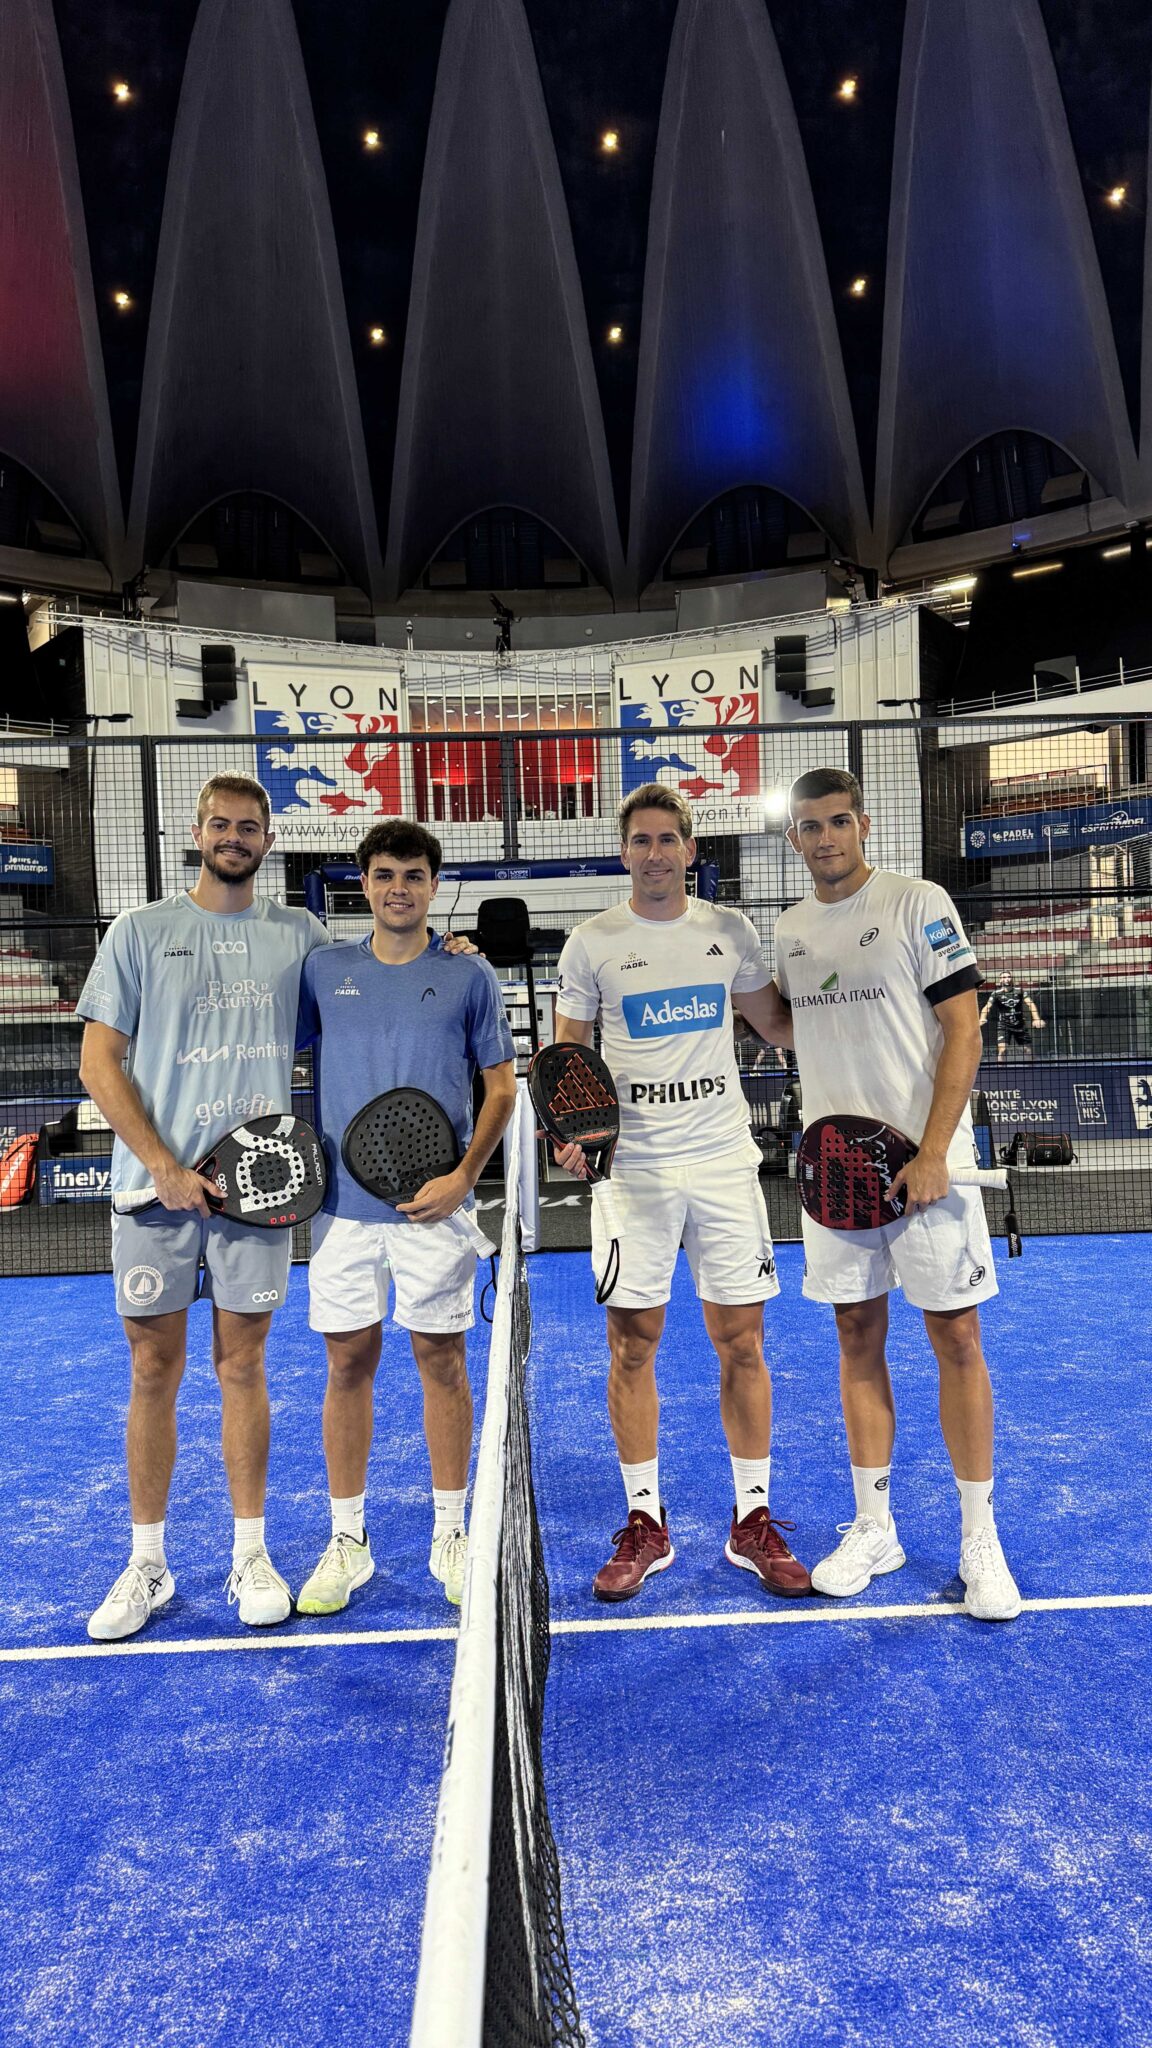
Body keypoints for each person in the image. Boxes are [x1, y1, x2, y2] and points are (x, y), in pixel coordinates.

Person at [763, 766, 1020, 1622]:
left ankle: (980, 1538)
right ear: (794, 839)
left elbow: (963, 1028)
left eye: (838, 821)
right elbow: (794, 1026)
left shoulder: (918, 903)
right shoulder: (791, 928)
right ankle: (876, 1528)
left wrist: (936, 1149)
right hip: (838, 1174)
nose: (825, 838)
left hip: (926, 1171)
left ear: (863, 825)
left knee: (957, 1339)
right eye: (809, 826)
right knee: (855, 1335)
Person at [77, 773, 330, 1640]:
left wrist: (448, 954)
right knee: (153, 1369)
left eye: (248, 827)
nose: (233, 837)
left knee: (242, 1366)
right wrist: (164, 1166)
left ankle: (249, 1554)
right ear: (197, 832)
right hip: (153, 1193)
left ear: (268, 841)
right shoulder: (140, 932)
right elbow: (98, 1063)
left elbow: (365, 996)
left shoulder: (301, 936)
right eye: (220, 824)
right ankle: (147, 1564)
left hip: (258, 1194)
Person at [552, 782, 811, 1603]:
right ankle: (645, 1521)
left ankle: (752, 1520)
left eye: (669, 839)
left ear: (691, 851)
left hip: (724, 1164)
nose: (656, 853)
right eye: (642, 840)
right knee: (633, 1346)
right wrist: (567, 1135)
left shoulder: (728, 932)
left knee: (743, 1344)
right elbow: (567, 1061)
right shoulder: (591, 944)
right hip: (633, 1172)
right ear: (623, 851)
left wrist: (870, 998)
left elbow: (780, 1025)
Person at [294, 820, 516, 1614]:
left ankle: (451, 1534)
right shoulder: (323, 970)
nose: (398, 888)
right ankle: (347, 1541)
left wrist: (464, 1177)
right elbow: (267, 1051)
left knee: (441, 1362)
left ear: (433, 885)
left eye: (413, 875)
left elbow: (501, 1088)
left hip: (436, 1209)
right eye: (385, 874)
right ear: (364, 883)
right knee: (346, 1365)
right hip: (342, 1213)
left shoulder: (468, 974)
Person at [980, 973, 1045, 1063]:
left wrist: (1036, 1018)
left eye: (1009, 977)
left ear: (1012, 979)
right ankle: (1000, 1070)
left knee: (1028, 1050)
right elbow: (987, 1007)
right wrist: (982, 1018)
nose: (1007, 979)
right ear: (1000, 980)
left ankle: (1031, 1068)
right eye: (1004, 977)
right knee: (1002, 1050)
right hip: (1004, 1026)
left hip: (1019, 1025)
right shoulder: (996, 993)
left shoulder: (1020, 991)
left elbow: (1031, 1004)